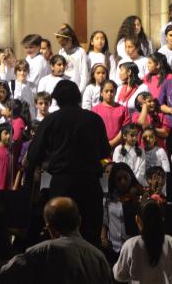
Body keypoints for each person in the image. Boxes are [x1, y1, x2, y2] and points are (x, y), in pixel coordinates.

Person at [26, 80, 111, 246]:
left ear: (57, 99)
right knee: (90, 239)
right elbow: (104, 152)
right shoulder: (94, 119)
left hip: (62, 184)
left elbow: (34, 155)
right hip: (89, 184)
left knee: (61, 238)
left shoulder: (51, 120)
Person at [0, 197, 111, 284]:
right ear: (80, 221)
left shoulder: (43, 251)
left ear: (49, 227)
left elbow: (2, 272)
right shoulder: (99, 257)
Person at [113, 199, 172, 284]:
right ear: (161, 220)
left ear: (137, 220)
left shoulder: (131, 245)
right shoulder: (170, 242)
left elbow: (119, 275)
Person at [92, 80, 130, 148]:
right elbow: (93, 130)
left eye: (112, 91)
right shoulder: (95, 110)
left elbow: (126, 129)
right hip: (100, 147)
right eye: (106, 91)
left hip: (118, 147)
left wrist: (112, 143)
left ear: (115, 92)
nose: (109, 93)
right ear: (101, 93)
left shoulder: (123, 109)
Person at [55, 23, 90, 92]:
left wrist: (80, 91)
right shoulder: (61, 52)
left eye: (64, 44)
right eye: (60, 44)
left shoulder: (80, 52)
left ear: (70, 40)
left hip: (76, 88)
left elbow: (84, 74)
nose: (62, 47)